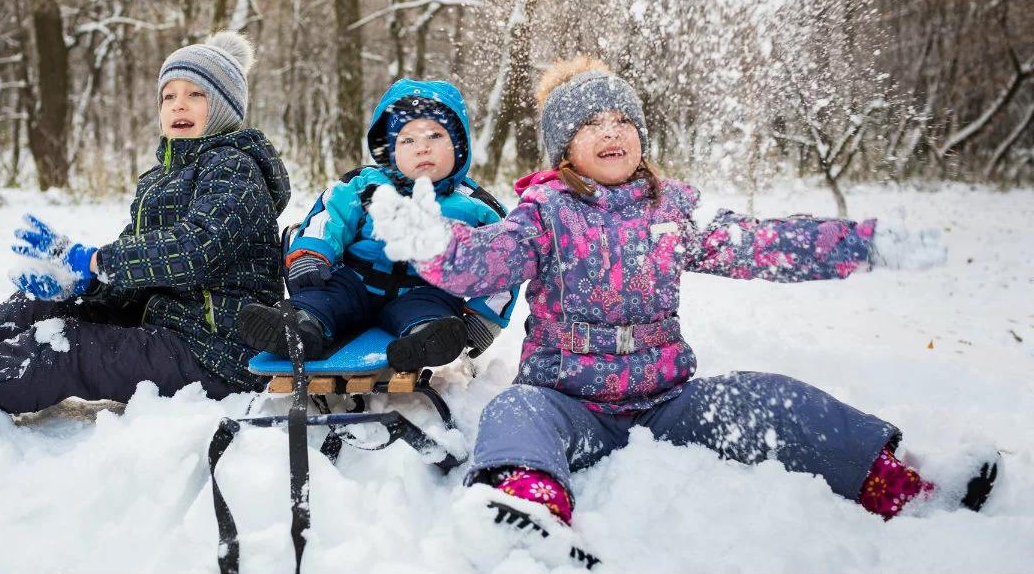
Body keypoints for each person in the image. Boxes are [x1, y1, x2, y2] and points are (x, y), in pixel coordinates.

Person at [367, 57, 998, 529]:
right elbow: (484, 264)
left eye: (622, 120)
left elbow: (761, 244)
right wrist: (432, 243)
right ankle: (526, 508)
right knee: (512, 413)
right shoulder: (544, 213)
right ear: (564, 148)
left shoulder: (672, 213)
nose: (611, 130)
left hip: (670, 402)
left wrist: (861, 244)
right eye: (590, 123)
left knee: (771, 397)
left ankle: (899, 484)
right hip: (569, 406)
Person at [0, 31, 291, 414]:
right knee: (46, 302)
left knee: (66, 348)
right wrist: (85, 282)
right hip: (171, 328)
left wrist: (97, 261)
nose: (179, 106)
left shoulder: (236, 171)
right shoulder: (161, 180)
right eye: (169, 96)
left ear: (225, 107)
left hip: (219, 352)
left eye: (196, 95)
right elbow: (140, 274)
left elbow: (195, 249)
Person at [238, 79, 516, 371]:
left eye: (435, 136)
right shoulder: (365, 184)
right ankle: (298, 326)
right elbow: (329, 217)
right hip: (355, 281)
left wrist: (485, 316)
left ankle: (426, 341)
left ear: (459, 146)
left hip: (426, 288)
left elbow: (504, 262)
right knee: (324, 299)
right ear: (391, 150)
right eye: (407, 140)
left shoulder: (476, 206)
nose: (422, 148)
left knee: (431, 313)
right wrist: (311, 252)